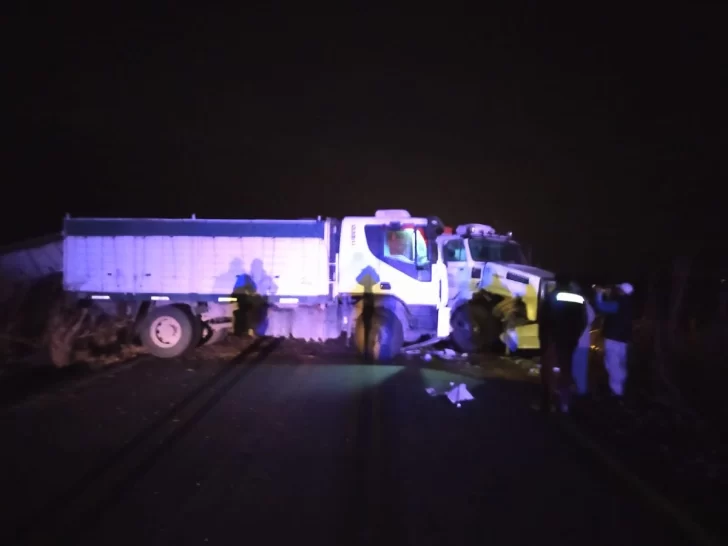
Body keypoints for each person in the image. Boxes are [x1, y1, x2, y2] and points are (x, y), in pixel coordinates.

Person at [537, 276, 588, 413]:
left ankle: (548, 403)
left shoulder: (552, 297)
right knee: (566, 370)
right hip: (570, 340)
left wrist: (544, 339)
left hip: (553, 339)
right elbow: (583, 320)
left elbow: (543, 319)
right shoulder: (579, 298)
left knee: (549, 371)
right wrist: (575, 335)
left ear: (558, 283)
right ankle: (565, 404)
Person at [594, 282, 634, 398]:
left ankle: (616, 394)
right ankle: (621, 391)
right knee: (621, 365)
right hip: (624, 341)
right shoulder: (630, 304)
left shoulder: (619, 303)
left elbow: (600, 305)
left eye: (619, 289)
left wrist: (599, 294)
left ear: (622, 291)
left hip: (613, 339)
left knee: (613, 366)